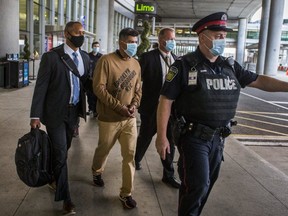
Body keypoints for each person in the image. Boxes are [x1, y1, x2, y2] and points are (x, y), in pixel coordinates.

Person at [155, 12, 288, 216]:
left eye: (224, 37)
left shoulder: (230, 66)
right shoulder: (183, 65)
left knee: (205, 185)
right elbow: (166, 101)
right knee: (197, 185)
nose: (222, 40)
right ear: (202, 37)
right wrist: (162, 137)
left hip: (219, 138)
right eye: (217, 36)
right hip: (193, 137)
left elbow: (260, 81)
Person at [30, 21, 90, 215]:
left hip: (73, 114)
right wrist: (35, 115)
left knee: (63, 151)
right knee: (61, 153)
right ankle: (66, 199)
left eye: (82, 32)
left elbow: (87, 85)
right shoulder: (52, 57)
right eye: (77, 32)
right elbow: (41, 87)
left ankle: (55, 179)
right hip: (55, 113)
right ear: (67, 34)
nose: (80, 35)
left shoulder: (85, 58)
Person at [91, 27, 142, 209]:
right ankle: (96, 171)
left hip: (129, 119)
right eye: (131, 42)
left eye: (136, 42)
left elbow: (138, 89)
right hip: (109, 118)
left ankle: (126, 193)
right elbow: (99, 88)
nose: (134, 45)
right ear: (121, 43)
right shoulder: (106, 61)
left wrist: (134, 105)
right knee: (103, 149)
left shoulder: (136, 63)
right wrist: (119, 107)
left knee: (130, 155)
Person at [134, 27, 181, 188]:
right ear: (161, 40)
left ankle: (168, 174)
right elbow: (136, 81)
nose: (172, 42)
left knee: (170, 140)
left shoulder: (176, 59)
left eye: (174, 39)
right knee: (145, 137)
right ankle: (136, 159)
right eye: (170, 39)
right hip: (151, 107)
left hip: (171, 110)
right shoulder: (148, 58)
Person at [87, 41, 103, 118]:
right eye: (95, 46)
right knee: (90, 95)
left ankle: (96, 110)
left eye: (97, 46)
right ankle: (91, 109)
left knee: (97, 95)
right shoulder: (88, 56)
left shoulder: (101, 57)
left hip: (98, 79)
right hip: (89, 80)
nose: (96, 48)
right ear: (92, 47)